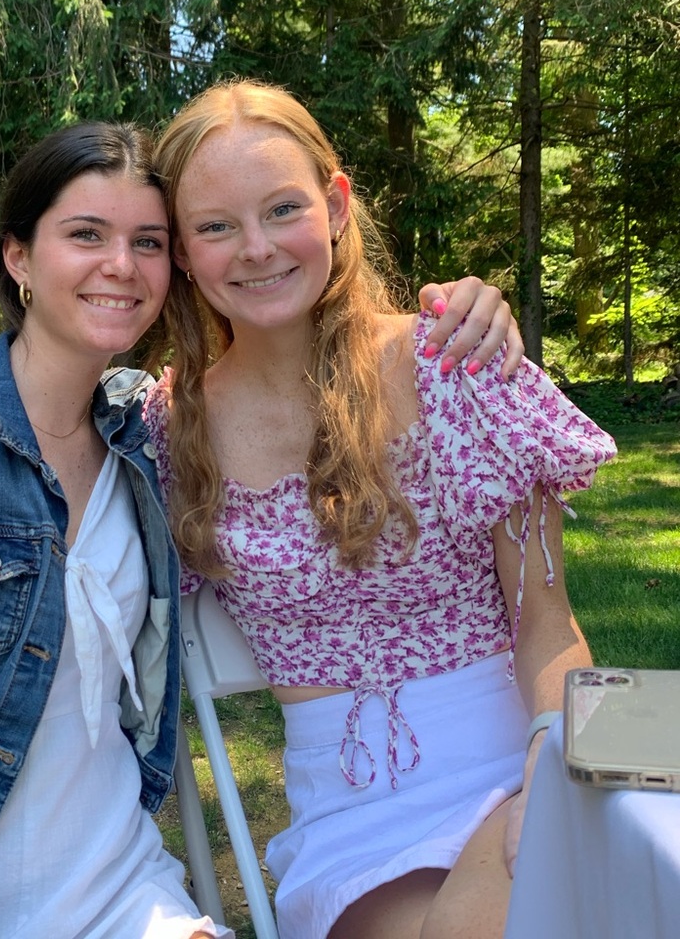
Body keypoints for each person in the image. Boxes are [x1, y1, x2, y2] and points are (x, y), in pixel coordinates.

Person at [0, 118, 517, 939]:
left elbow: (300, 365)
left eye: (148, 241)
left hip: (117, 901)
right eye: (86, 235)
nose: (121, 265)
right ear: (18, 257)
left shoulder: (148, 436)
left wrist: (464, 311)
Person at [143, 79, 616, 939]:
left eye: (282, 208)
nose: (255, 249)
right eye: (215, 226)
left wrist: (555, 753)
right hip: (349, 827)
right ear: (179, 249)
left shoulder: (456, 367)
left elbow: (549, 624)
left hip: (522, 763)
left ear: (334, 205)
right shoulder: (169, 433)